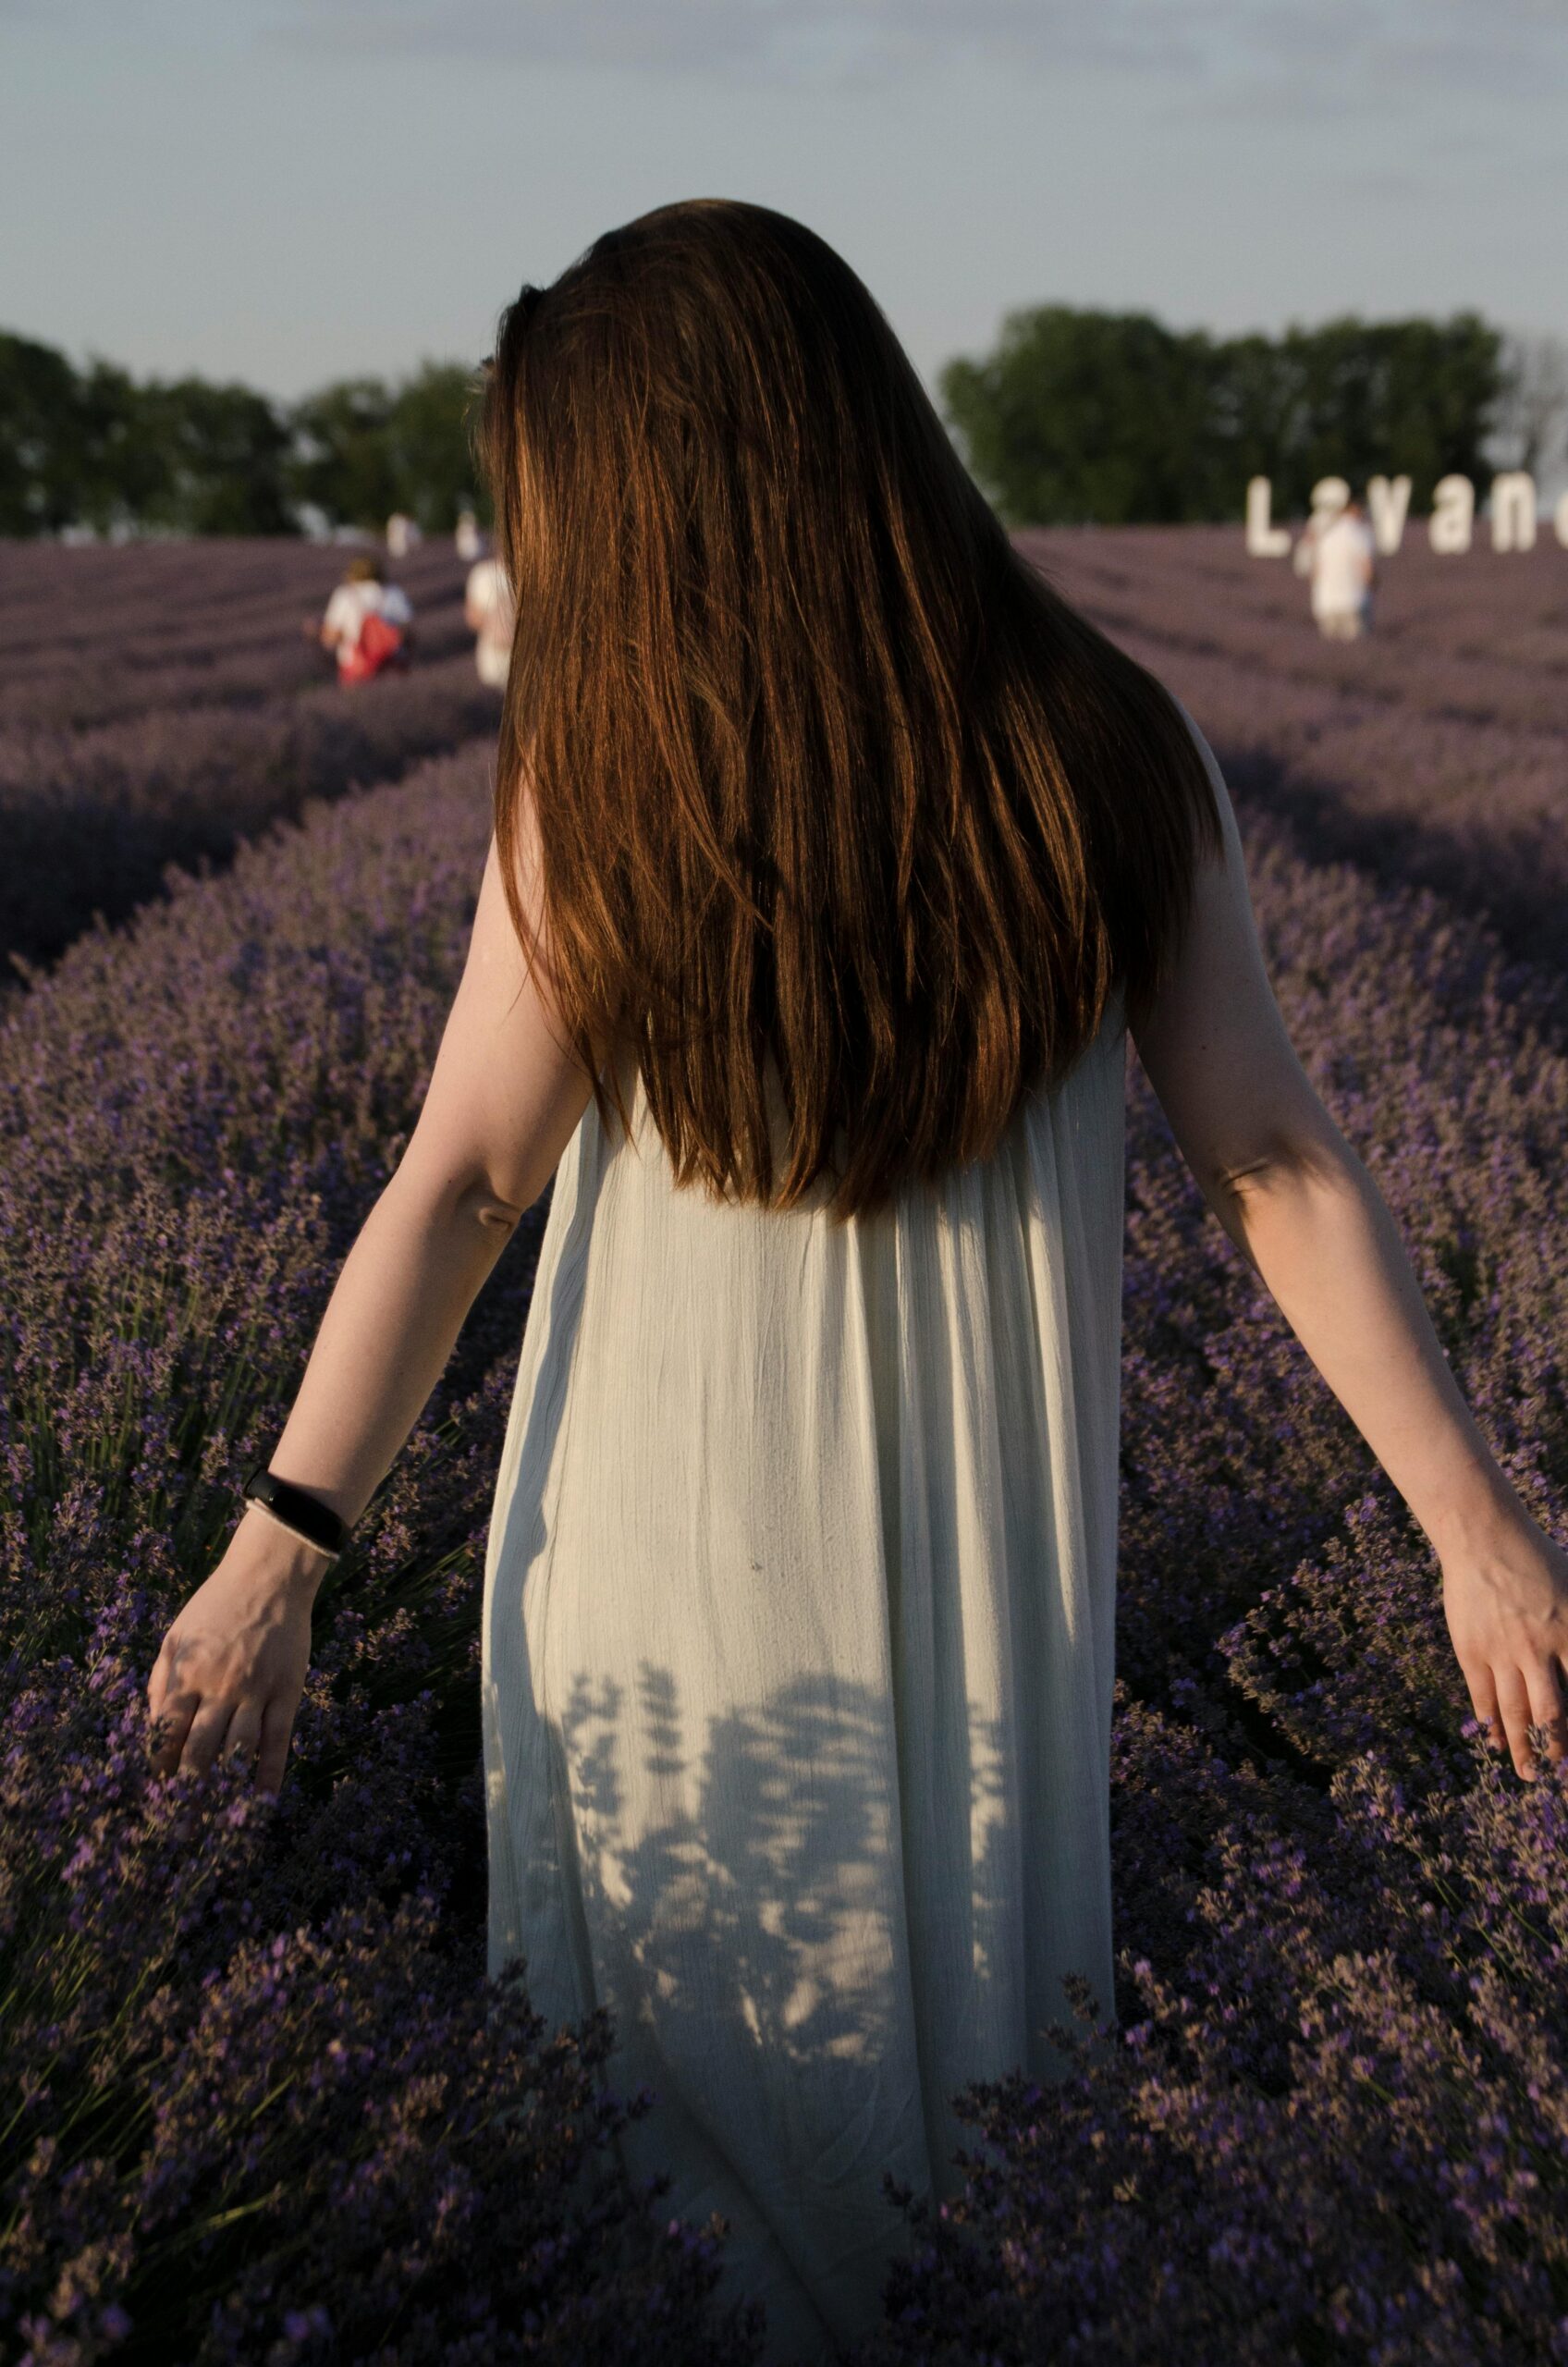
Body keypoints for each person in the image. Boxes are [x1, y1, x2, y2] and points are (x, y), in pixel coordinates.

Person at [148, 202, 1568, 2362]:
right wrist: (1470, 1523)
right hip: (979, 1578)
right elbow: (1275, 1161)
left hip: (656, 1573)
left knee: (685, 2177)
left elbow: (461, 1185)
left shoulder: (609, 779)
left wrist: (280, 1548)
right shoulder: (1111, 743)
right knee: (949, 2163)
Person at [315, 554, 413, 684]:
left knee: (356, 695)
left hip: (356, 665)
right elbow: (407, 631)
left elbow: (332, 636)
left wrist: (318, 634)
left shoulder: (344, 595)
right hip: (393, 661)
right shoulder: (394, 592)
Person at [1310, 494, 1377, 639]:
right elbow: (1367, 570)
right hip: (1354, 601)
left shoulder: (1326, 535)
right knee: (1356, 649)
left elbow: (1316, 572)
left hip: (1326, 603)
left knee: (1328, 650)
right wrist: (1374, 585)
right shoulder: (1360, 534)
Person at [463, 546, 516, 689]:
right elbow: (471, 617)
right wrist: (496, 623)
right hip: (493, 662)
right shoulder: (482, 574)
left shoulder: (530, 574)